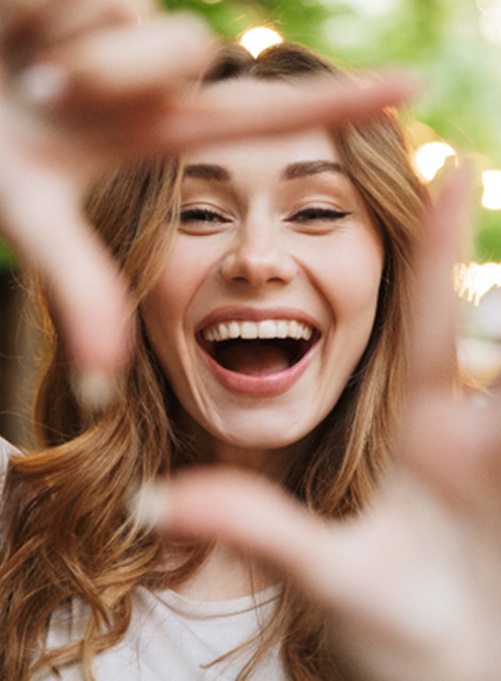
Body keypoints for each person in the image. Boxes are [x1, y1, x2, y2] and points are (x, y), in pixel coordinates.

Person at [2, 3, 500, 681]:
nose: (255, 258)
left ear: (390, 271)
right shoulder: (13, 522)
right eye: (199, 212)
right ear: (129, 267)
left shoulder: (475, 566)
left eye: (318, 211)